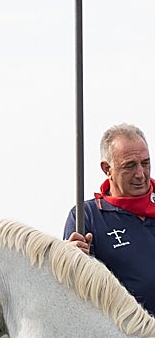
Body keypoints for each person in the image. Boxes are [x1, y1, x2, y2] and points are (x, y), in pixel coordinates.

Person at [65, 124, 155, 314]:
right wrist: (72, 263)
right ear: (107, 168)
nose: (140, 174)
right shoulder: (86, 216)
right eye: (129, 166)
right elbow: (72, 292)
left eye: (145, 163)